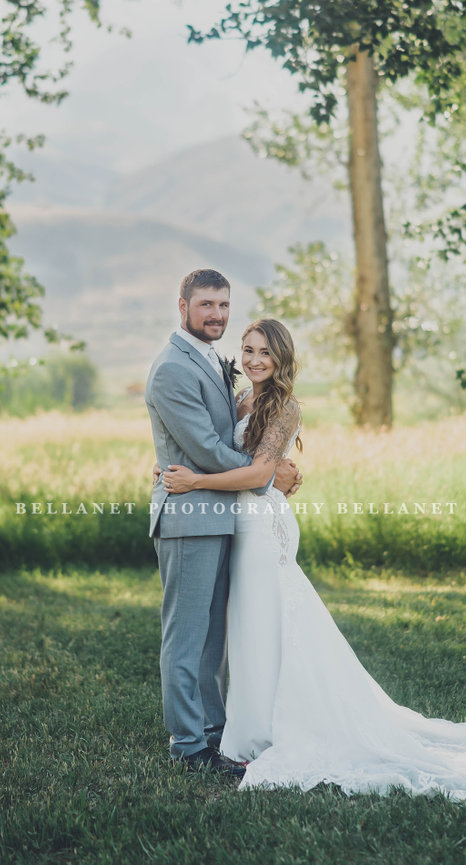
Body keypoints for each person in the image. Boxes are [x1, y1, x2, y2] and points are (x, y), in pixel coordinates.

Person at [162, 318, 466, 811]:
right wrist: (176, 465)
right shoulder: (239, 399)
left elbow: (260, 471)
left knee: (267, 622)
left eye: (266, 352)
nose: (255, 359)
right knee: (247, 626)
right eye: (248, 349)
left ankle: (266, 731)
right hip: (236, 524)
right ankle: (246, 726)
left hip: (262, 528)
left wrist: (197, 483)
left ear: (282, 359)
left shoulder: (285, 406)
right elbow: (214, 450)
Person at [145, 270, 301, 778]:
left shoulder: (210, 358)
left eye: (223, 305)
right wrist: (267, 472)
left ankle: (215, 733)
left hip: (223, 515)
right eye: (206, 304)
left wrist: (262, 466)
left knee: (213, 640)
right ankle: (189, 746)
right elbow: (208, 448)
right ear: (183, 306)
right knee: (187, 638)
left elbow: (204, 437)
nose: (216, 314)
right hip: (189, 517)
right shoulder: (173, 367)